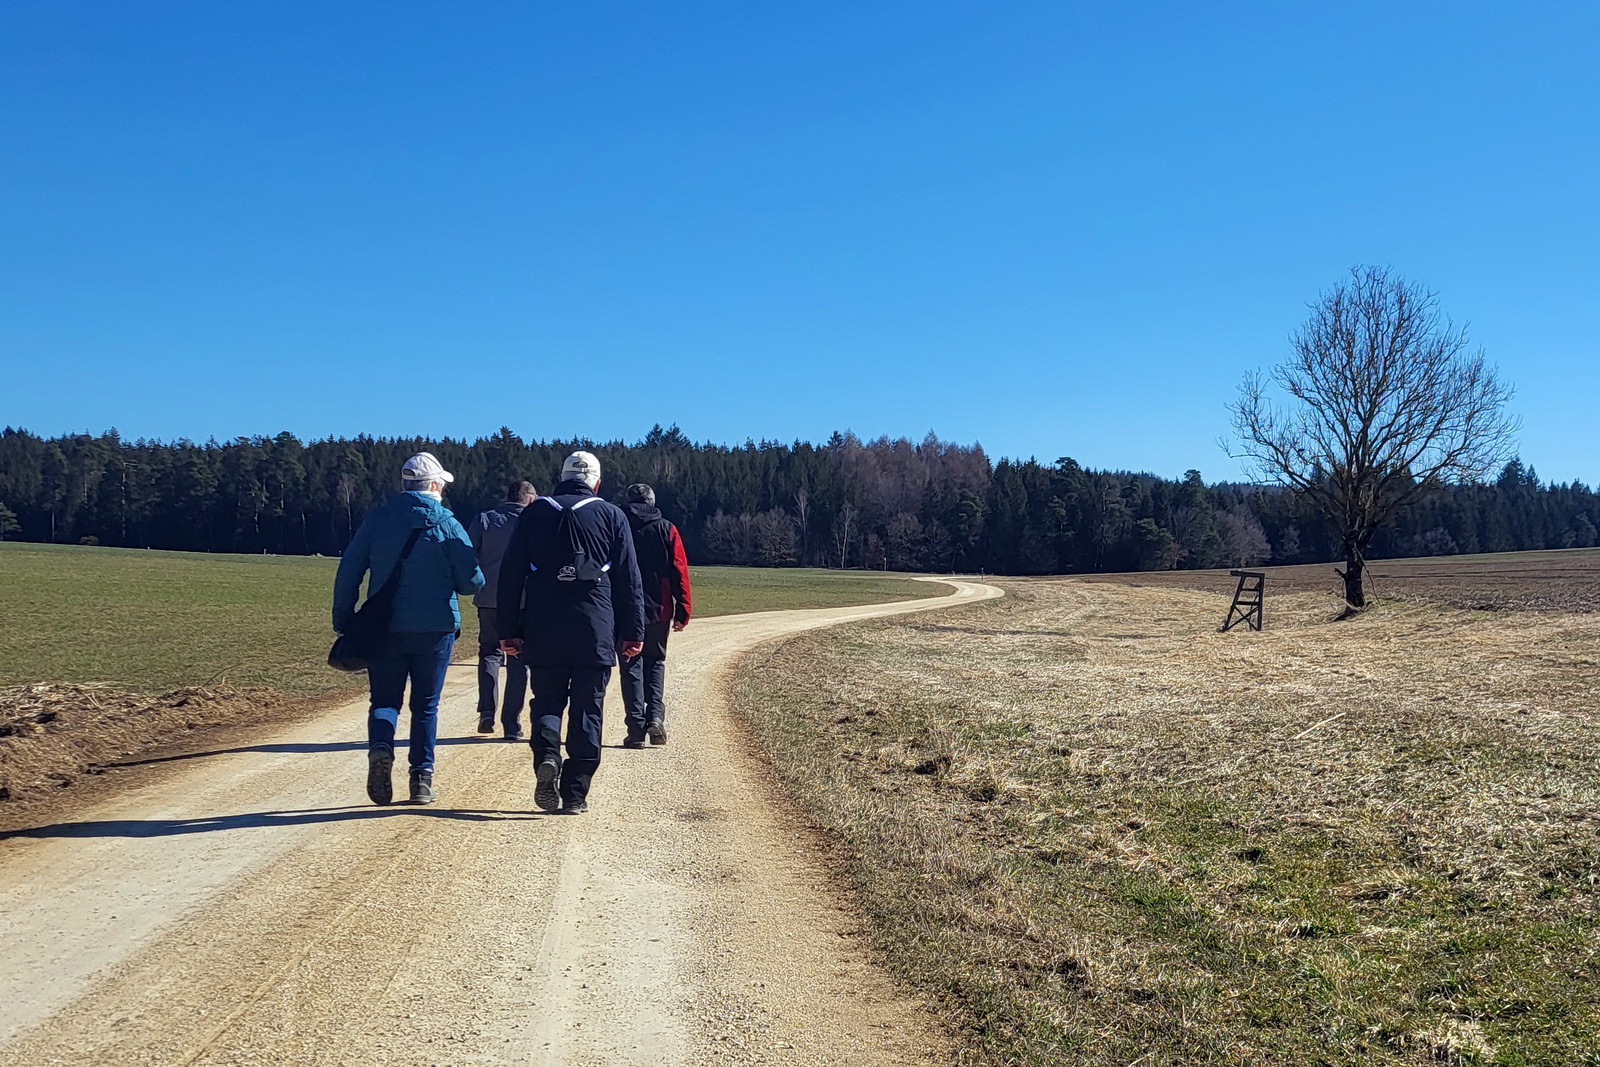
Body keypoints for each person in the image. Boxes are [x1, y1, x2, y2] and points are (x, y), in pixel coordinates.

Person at [497, 451, 644, 814]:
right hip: (595, 628)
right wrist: (633, 631)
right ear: (597, 482)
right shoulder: (611, 515)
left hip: (543, 626)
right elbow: (628, 578)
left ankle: (548, 754)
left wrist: (508, 629)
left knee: (547, 700)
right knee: (587, 709)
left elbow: (511, 574)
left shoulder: (534, 512)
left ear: (561, 478)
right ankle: (575, 793)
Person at [333, 451, 484, 806]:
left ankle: (381, 747)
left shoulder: (378, 520)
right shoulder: (448, 524)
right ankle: (421, 780)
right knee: (426, 706)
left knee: (385, 701)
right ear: (434, 486)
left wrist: (344, 619)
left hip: (384, 628)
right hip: (436, 629)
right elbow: (472, 582)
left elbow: (349, 570)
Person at [618, 483, 692, 748]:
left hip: (624, 607)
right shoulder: (667, 528)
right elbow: (679, 571)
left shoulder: (618, 525)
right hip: (658, 607)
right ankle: (656, 717)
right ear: (652, 502)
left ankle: (636, 729)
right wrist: (683, 608)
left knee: (631, 664)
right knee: (656, 661)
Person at [469, 480, 538, 740]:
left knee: (489, 652)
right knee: (518, 659)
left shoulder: (485, 520)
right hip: (522, 601)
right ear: (529, 499)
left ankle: (487, 711)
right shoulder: (534, 521)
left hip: (489, 598)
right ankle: (511, 723)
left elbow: (470, 557)